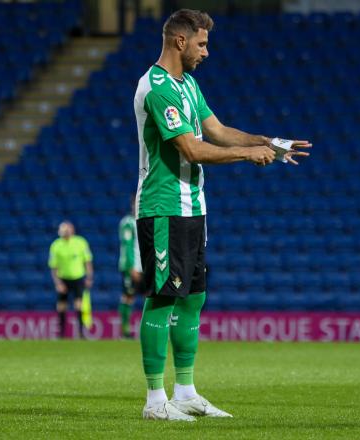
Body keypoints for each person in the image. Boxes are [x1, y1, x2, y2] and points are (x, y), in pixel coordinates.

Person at [133, 9, 311, 421]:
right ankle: (154, 401)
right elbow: (192, 150)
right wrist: (248, 155)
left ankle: (186, 391)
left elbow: (216, 130)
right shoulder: (157, 88)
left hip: (194, 208)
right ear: (180, 41)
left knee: (193, 298)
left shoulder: (188, 85)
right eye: (202, 43)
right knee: (163, 297)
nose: (206, 52)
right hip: (163, 207)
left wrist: (269, 142)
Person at [48, 221, 94, 338]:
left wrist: (89, 277)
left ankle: (81, 333)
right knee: (61, 306)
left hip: (78, 278)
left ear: (72, 230)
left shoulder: (81, 242)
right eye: (63, 230)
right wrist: (58, 283)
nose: (65, 232)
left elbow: (87, 261)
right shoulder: (55, 245)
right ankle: (62, 334)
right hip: (63, 279)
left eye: (67, 229)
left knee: (79, 305)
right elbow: (53, 267)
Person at [118, 196, 144, 339]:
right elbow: (127, 247)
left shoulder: (146, 220)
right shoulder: (128, 223)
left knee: (151, 297)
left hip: (145, 267)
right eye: (136, 203)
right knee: (128, 296)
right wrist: (130, 267)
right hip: (132, 267)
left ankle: (150, 330)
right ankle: (125, 331)